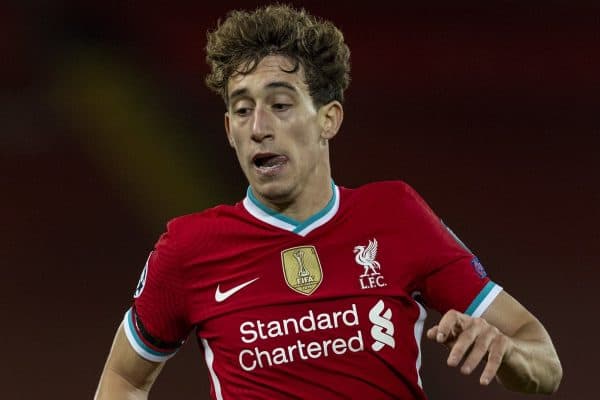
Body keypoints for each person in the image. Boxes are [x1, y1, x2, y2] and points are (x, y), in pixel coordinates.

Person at [94, 4, 562, 399]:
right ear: (228, 131)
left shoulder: (396, 215)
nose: (259, 126)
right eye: (241, 109)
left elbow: (544, 360)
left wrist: (508, 353)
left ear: (328, 119)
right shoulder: (188, 247)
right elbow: (123, 377)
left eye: (280, 105)